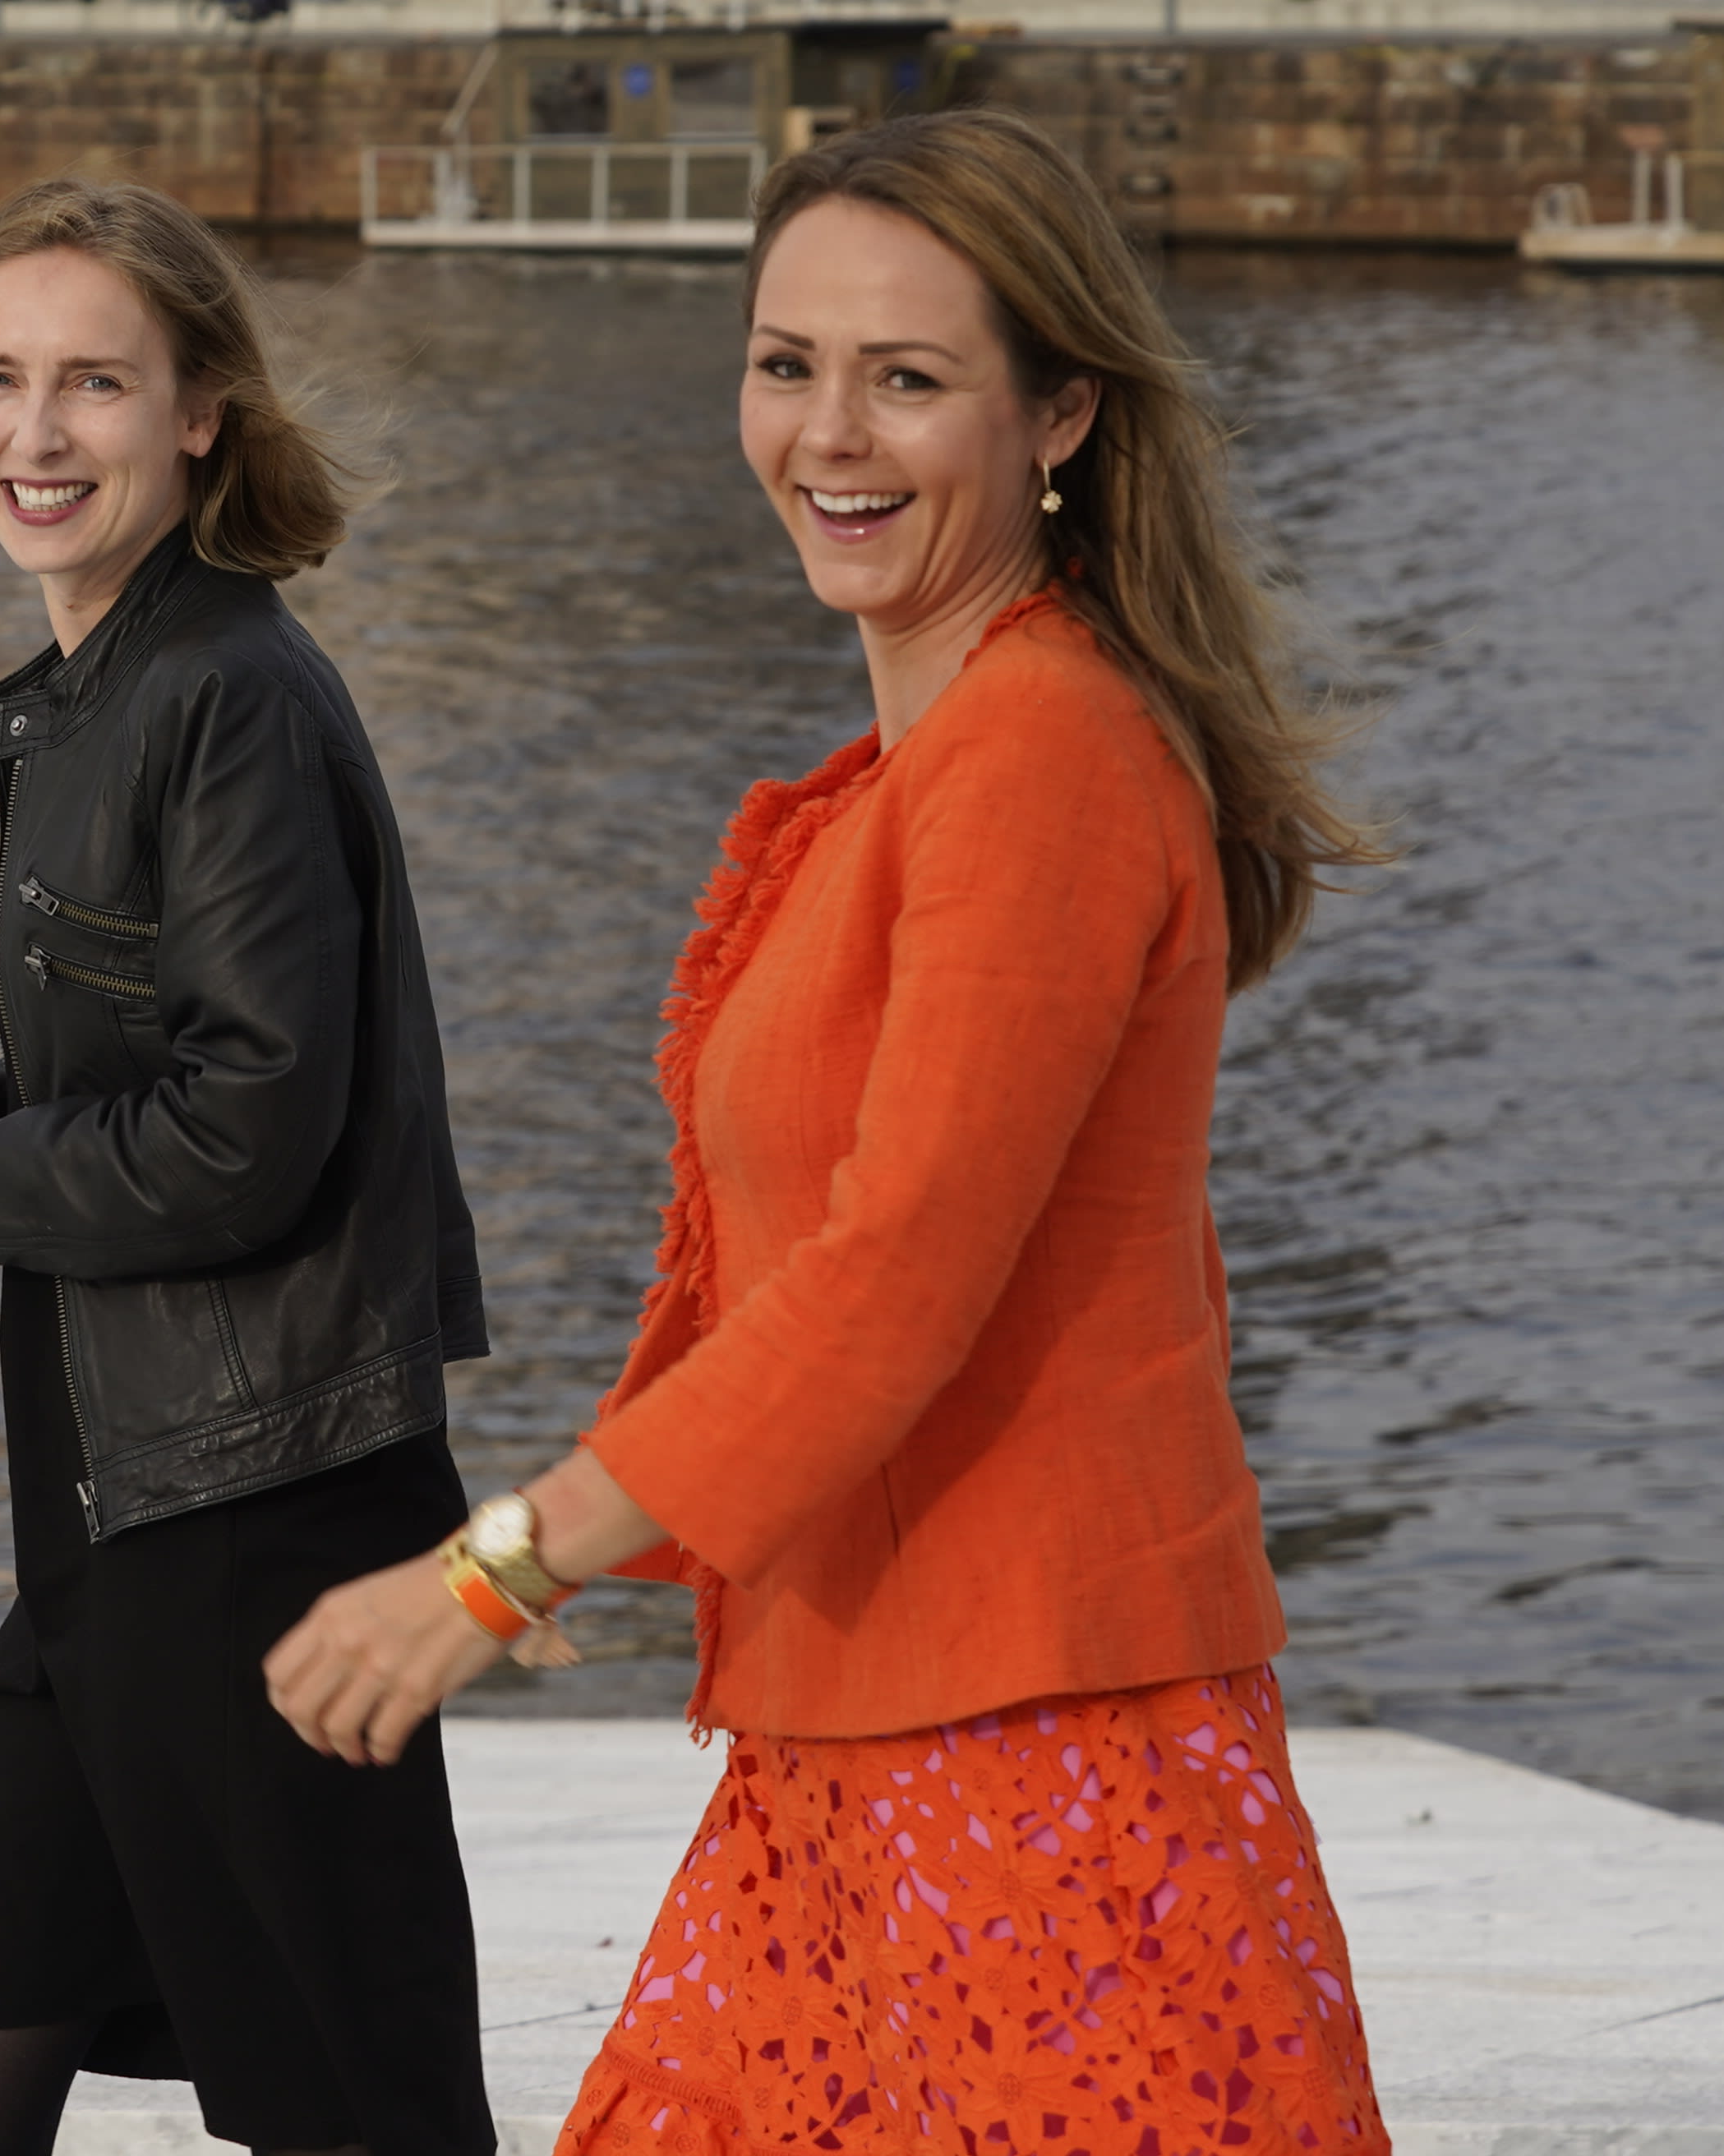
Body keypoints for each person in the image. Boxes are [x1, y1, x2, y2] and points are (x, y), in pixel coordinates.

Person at [265, 108, 1397, 2154]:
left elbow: (895, 1279)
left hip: (1040, 1752)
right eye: (787, 364)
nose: (829, 434)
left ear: (1061, 415)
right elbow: (780, 1282)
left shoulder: (1043, 752)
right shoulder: (919, 767)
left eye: (908, 377)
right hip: (854, 1737)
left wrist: (492, 1572)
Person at [0, 177, 497, 2156]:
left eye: (94, 383)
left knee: (353, 2114)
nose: (33, 433)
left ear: (200, 409)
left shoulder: (220, 691)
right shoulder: (106, 683)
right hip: (126, 1510)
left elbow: (244, 1132)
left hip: (257, 1522)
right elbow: (151, 1037)